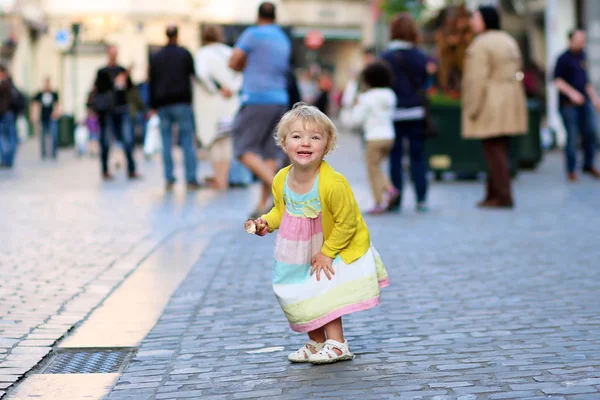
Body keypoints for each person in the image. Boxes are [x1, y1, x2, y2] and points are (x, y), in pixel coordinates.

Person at [244, 103, 389, 365]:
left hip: (326, 246)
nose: (305, 143)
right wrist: (266, 222)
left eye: (315, 137)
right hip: (294, 249)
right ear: (283, 142)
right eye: (297, 136)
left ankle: (337, 343)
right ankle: (317, 342)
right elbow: (281, 210)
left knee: (325, 292)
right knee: (301, 292)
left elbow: (347, 223)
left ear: (327, 144)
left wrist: (327, 253)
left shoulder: (333, 183)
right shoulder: (281, 178)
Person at [229, 1, 291, 217]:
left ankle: (281, 189)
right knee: (269, 153)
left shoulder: (253, 34)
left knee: (242, 149)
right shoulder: (283, 38)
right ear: (275, 17)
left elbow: (234, 60)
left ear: (258, 17)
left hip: (256, 98)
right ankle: (263, 206)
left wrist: (243, 65)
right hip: (280, 99)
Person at [461, 6, 527, 209]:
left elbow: (476, 80)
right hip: (511, 100)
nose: (472, 22)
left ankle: (503, 195)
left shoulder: (481, 45)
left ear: (485, 20)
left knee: (492, 150)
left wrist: (471, 107)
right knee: (500, 148)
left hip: (490, 102)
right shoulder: (509, 40)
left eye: (476, 18)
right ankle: (493, 194)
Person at [380, 13, 431, 213]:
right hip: (416, 111)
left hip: (394, 113)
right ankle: (421, 197)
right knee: (418, 155)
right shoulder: (420, 56)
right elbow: (425, 82)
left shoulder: (385, 57)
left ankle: (397, 198)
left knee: (395, 157)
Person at [149, 25, 200, 191]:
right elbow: (194, 76)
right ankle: (191, 178)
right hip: (182, 102)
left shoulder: (156, 56)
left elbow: (152, 82)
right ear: (177, 36)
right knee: (187, 141)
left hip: (163, 104)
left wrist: (152, 105)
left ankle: (169, 177)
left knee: (166, 142)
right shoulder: (184, 54)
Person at [194, 25, 242, 190]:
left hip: (212, 104)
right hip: (231, 103)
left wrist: (216, 88)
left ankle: (219, 180)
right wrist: (232, 88)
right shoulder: (229, 52)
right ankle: (225, 179)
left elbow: (201, 74)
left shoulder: (202, 54)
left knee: (214, 142)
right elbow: (240, 72)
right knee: (227, 143)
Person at [351, 61, 399, 214]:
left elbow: (357, 119)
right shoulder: (390, 95)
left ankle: (379, 202)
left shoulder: (367, 97)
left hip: (373, 137)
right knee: (378, 166)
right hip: (389, 136)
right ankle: (389, 188)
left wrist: (357, 104)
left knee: (372, 169)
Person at [554, 28, 600, 181]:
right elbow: (557, 81)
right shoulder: (563, 59)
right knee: (572, 137)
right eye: (579, 38)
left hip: (585, 102)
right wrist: (572, 93)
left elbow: (586, 82)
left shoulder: (582, 56)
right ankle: (571, 170)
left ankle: (588, 165)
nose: (582, 41)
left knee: (591, 132)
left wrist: (594, 99)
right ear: (571, 40)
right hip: (568, 104)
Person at [93, 45, 140, 180]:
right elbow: (99, 89)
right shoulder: (102, 72)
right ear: (108, 54)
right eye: (112, 53)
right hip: (108, 111)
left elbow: (130, 88)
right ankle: (105, 170)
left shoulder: (122, 70)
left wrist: (126, 78)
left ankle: (131, 169)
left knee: (128, 140)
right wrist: (115, 81)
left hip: (122, 109)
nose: (114, 55)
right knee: (106, 142)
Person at [32, 77, 60, 160]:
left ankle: (53, 153)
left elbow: (56, 104)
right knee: (43, 136)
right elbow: (34, 104)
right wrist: (34, 115)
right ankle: (43, 153)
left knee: (54, 135)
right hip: (43, 117)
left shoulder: (54, 93)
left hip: (52, 117)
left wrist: (55, 112)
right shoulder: (40, 94)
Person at [0, 65, 14, 169]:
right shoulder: (10, 83)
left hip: (4, 114)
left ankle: (6, 160)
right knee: (9, 137)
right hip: (9, 113)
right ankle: (8, 160)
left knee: (4, 137)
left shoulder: (4, 84)